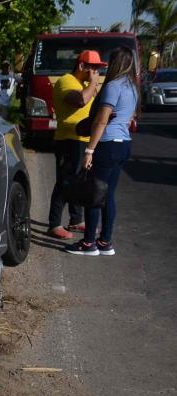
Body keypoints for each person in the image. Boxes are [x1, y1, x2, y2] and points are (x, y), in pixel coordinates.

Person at [66, 47, 138, 256]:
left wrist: (90, 150)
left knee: (94, 194)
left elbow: (101, 120)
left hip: (107, 145)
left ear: (115, 63)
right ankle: (105, 241)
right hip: (123, 143)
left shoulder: (113, 86)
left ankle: (89, 243)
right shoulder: (132, 87)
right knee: (109, 195)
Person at [47, 50, 106, 239]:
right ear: (81, 66)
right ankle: (54, 223)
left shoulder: (84, 84)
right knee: (65, 181)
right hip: (68, 139)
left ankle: (76, 219)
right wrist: (94, 84)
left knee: (80, 181)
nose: (96, 72)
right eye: (93, 68)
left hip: (82, 139)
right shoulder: (67, 81)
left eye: (98, 69)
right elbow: (80, 101)